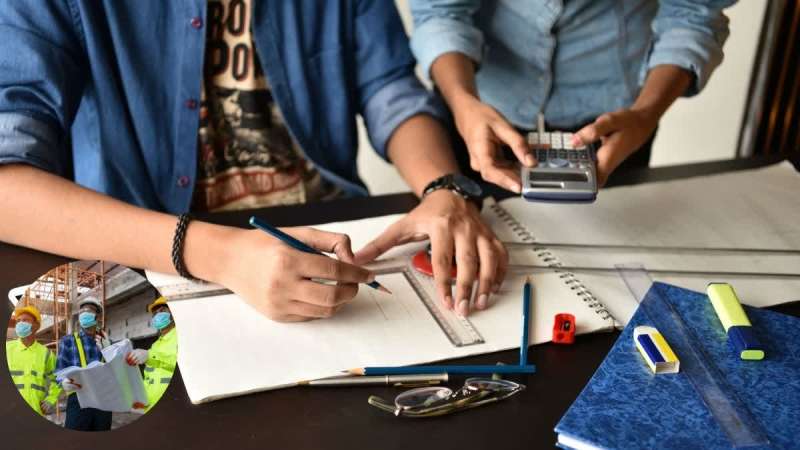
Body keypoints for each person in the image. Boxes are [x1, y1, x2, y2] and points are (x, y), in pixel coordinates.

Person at [0, 1, 506, 319]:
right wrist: (221, 255)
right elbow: (8, 186)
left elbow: (388, 88)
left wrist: (443, 187)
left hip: (328, 242)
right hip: (147, 261)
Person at [409, 0, 736, 191]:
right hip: (477, 106)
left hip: (617, 122)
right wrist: (462, 101)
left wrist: (646, 113)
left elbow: (694, 13)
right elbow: (439, 10)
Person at [55, 297, 112, 431]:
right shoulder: (68, 341)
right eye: (82, 311)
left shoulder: (106, 342)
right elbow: (59, 371)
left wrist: (110, 351)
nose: (84, 314)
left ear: (97, 317)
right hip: (78, 399)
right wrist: (63, 382)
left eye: (89, 310)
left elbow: (115, 372)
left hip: (103, 401)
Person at [5, 305, 62, 417]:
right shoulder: (7, 349)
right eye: (18, 321)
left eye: (25, 320)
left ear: (36, 326)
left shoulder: (45, 353)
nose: (20, 323)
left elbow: (58, 378)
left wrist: (50, 400)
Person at [126, 297, 178, 412]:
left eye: (162, 310)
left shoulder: (181, 337)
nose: (158, 315)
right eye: (155, 313)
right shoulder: (155, 345)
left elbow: (182, 365)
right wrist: (142, 400)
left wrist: (150, 356)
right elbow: (149, 378)